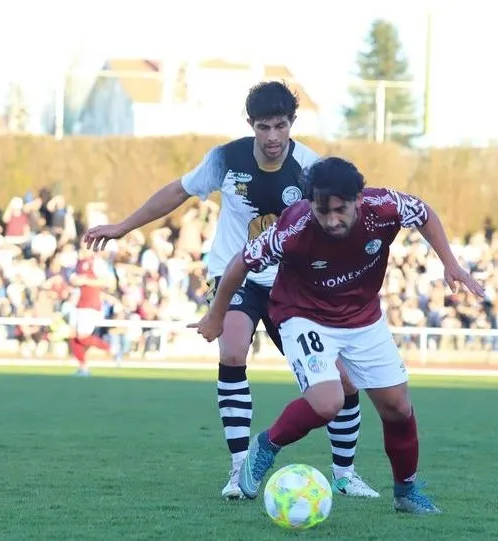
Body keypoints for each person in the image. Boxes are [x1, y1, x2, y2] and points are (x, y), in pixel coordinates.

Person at [82, 82, 378, 499]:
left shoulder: (310, 168)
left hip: (292, 286)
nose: (273, 137)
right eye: (263, 127)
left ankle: (345, 475)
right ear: (250, 125)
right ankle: (240, 470)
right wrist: (122, 227)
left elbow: (339, 218)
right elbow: (175, 192)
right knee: (233, 351)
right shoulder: (225, 159)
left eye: (280, 126)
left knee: (344, 381)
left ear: (292, 124)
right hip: (235, 275)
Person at [190, 157, 486, 514]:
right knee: (328, 401)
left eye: (339, 210)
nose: (331, 220)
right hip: (305, 317)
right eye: (321, 211)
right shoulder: (293, 228)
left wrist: (450, 262)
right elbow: (240, 263)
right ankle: (266, 446)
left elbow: (423, 213)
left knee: (397, 407)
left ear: (358, 198)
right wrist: (217, 314)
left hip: (363, 318)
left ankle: (406, 492)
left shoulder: (385, 206)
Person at [68, 244, 114, 375]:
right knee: (72, 336)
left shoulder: (97, 263)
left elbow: (105, 282)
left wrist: (85, 281)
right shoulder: (78, 262)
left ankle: (110, 348)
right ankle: (83, 367)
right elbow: (73, 280)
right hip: (77, 304)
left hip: (90, 305)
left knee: (82, 337)